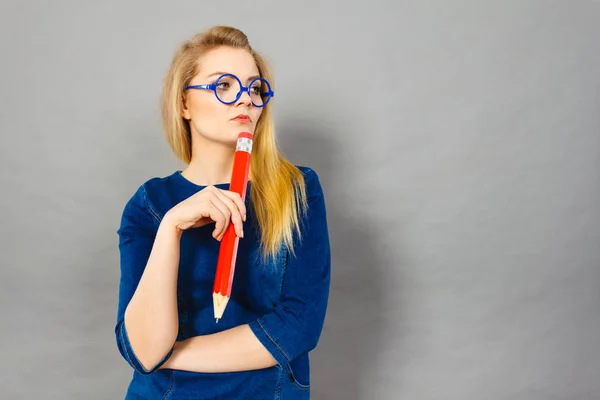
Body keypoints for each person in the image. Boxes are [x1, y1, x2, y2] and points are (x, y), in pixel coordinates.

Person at [114, 25, 331, 399]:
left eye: (254, 87)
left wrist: (172, 355)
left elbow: (298, 326)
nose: (245, 99)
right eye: (224, 85)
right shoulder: (150, 204)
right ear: (184, 104)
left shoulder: (297, 190)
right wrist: (171, 228)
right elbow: (142, 347)